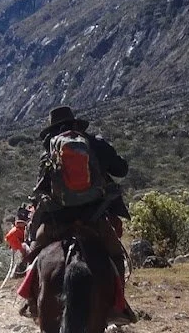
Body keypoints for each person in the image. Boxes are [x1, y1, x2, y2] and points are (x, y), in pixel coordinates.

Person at [19, 105, 135, 321]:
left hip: (58, 218)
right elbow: (121, 170)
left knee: (35, 251)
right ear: (75, 124)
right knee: (116, 255)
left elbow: (41, 188)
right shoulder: (94, 143)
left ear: (52, 128)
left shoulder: (50, 149)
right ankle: (118, 305)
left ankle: (32, 301)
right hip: (93, 215)